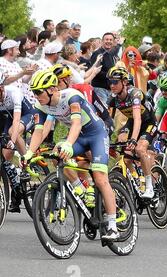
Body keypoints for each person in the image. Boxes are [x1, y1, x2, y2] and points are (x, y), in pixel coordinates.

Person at [25, 70, 120, 241]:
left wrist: (68, 144)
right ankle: (82, 191)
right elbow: (38, 132)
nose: (36, 96)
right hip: (80, 137)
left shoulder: (71, 97)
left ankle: (112, 226)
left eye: (39, 92)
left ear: (52, 89)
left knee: (100, 178)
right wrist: (29, 153)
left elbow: (76, 123)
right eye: (34, 92)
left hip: (96, 134)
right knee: (58, 154)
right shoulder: (42, 105)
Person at [107, 66, 158, 199]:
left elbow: (137, 118)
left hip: (147, 122)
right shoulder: (112, 98)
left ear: (124, 82)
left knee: (140, 149)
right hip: (131, 122)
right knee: (124, 148)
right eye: (110, 82)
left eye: (115, 82)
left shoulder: (135, 94)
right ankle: (136, 178)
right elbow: (107, 121)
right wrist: (106, 140)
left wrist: (134, 139)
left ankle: (149, 187)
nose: (112, 85)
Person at [0, 71, 36, 212]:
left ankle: (27, 161)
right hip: (8, 119)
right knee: (6, 156)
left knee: (11, 133)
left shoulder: (13, 92)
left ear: (2, 88)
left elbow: (16, 120)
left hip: (28, 114)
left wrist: (13, 140)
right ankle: (16, 191)